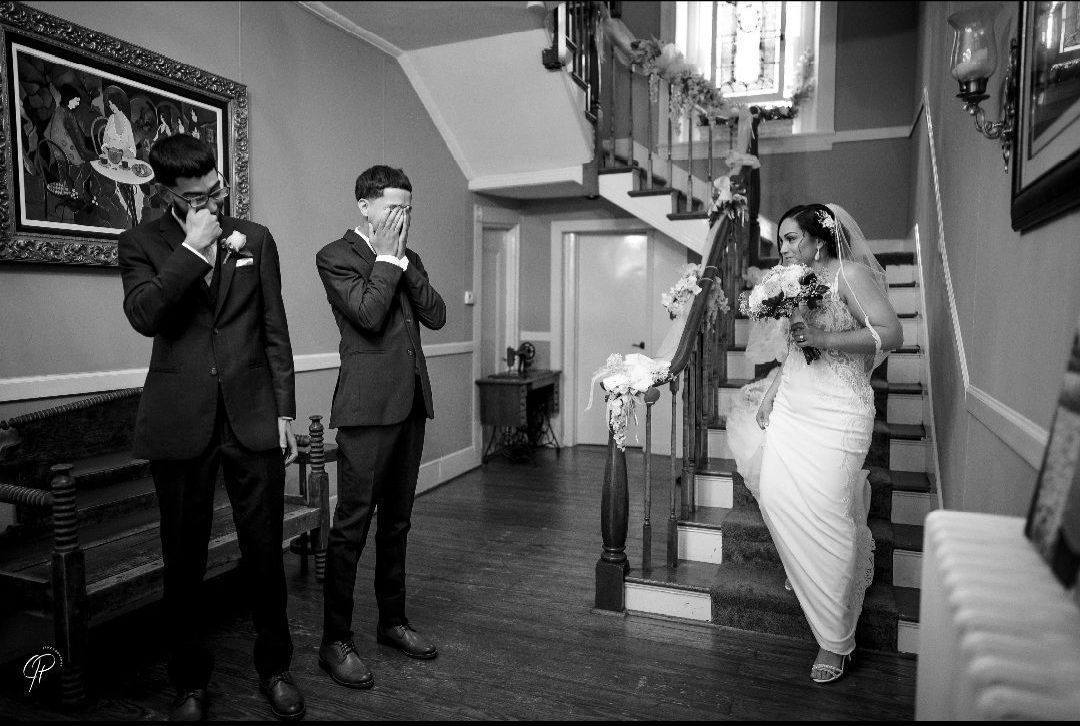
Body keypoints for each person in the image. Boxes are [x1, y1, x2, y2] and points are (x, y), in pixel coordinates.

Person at [117, 134, 305, 721]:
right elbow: (145, 316)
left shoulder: (257, 238)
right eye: (197, 196)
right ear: (167, 193)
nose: (212, 203)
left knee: (264, 554)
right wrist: (194, 252)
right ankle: (189, 684)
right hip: (180, 422)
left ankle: (275, 669)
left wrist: (283, 412)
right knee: (184, 559)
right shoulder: (139, 242)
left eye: (216, 189)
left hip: (252, 419)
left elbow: (274, 325)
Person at [750, 203, 902, 684]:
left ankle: (836, 642)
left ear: (819, 239)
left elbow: (892, 333)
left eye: (792, 239)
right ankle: (812, 572)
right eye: (780, 242)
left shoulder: (849, 275)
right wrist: (773, 392)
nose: (785, 250)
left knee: (832, 518)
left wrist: (824, 336)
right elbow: (794, 345)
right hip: (795, 404)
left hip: (840, 409)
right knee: (774, 495)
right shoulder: (788, 283)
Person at [315, 165, 446, 689]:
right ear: (365, 206)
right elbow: (368, 316)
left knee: (398, 524)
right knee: (351, 529)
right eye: (394, 208)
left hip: (410, 406)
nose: (402, 218)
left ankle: (392, 621)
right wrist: (390, 257)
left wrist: (403, 259)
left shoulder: (408, 257)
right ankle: (335, 641)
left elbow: (435, 315)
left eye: (408, 210)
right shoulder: (335, 256)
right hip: (366, 413)